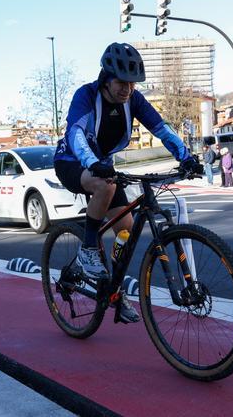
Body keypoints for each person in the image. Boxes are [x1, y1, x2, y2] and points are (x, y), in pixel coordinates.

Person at [53, 42, 203, 324]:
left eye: (132, 84)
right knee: (105, 185)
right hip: (73, 162)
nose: (128, 89)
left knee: (126, 231)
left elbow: (161, 128)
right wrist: (92, 163)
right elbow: (76, 135)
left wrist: (186, 157)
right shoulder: (86, 96)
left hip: (102, 165)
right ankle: (87, 249)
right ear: (106, 78)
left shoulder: (133, 100)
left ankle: (114, 292)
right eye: (122, 83)